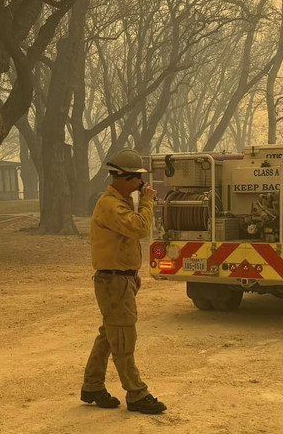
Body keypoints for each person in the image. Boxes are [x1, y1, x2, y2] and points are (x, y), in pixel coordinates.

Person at [80, 148, 167, 414]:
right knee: (124, 338)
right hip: (113, 281)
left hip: (121, 279)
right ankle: (137, 393)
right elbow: (140, 228)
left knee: (111, 334)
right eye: (135, 179)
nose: (139, 184)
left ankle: (93, 385)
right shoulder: (111, 205)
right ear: (121, 178)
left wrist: (132, 275)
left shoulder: (121, 201)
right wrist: (147, 201)